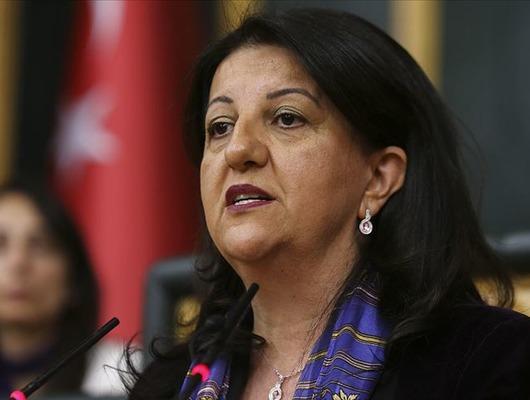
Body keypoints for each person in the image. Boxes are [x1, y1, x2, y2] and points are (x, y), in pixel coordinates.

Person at [129, 8, 530, 400]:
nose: (238, 150)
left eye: (287, 118)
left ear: (378, 178)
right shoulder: (168, 386)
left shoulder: (491, 363)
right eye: (220, 127)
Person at [0, 180, 122, 397]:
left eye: (40, 244)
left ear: (73, 278)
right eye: (0, 244)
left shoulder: (118, 374)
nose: (19, 262)